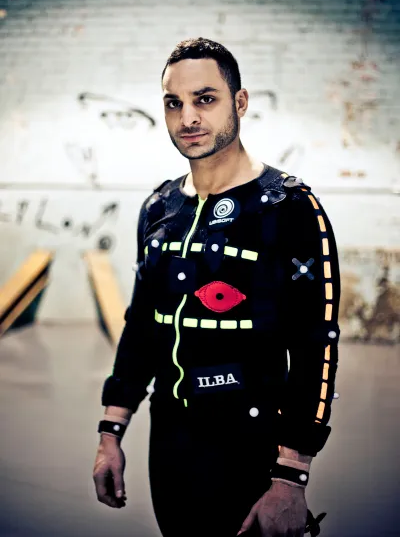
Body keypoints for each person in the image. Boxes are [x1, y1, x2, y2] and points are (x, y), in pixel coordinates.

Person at [92, 37, 341, 537]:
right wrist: (110, 434)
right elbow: (142, 328)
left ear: (239, 102)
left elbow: (316, 344)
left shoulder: (289, 207)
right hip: (169, 443)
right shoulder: (159, 208)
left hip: (251, 447)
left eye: (205, 99)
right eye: (174, 103)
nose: (188, 118)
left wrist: (291, 476)